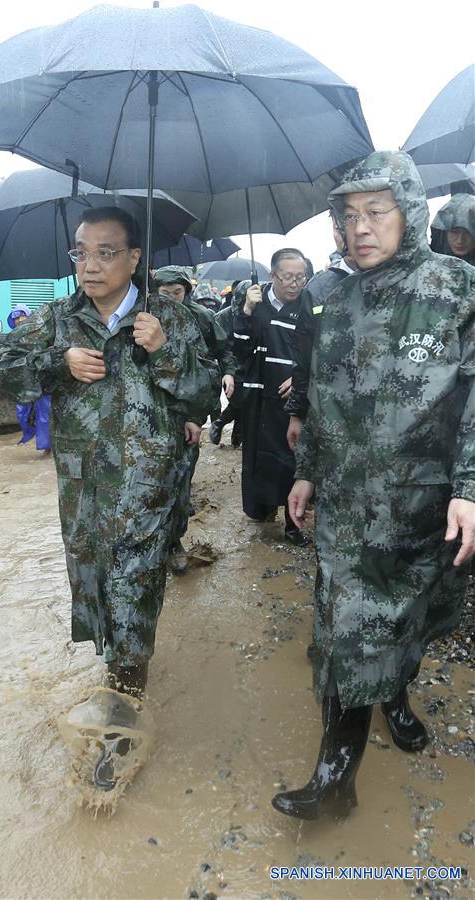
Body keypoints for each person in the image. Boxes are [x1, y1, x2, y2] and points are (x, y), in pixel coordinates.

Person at [272, 151, 474, 822]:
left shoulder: (453, 286)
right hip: (347, 509)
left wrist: (468, 486)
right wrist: (305, 476)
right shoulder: (337, 300)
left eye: (375, 212)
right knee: (343, 632)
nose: (359, 227)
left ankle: (396, 695)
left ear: (410, 211)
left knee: (408, 622)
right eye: (348, 215)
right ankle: (335, 778)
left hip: (423, 505)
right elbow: (324, 403)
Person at [0, 208, 219, 788]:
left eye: (106, 252)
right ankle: (119, 670)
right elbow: (4, 372)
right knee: (94, 583)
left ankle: (121, 715)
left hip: (149, 489)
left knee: (132, 587)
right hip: (84, 489)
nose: (90, 266)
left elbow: (204, 400)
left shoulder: (170, 317)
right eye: (81, 253)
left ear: (135, 258)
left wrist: (164, 349)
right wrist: (56, 363)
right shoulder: (58, 319)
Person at [152, 265, 236, 572]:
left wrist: (227, 373)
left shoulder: (201, 317)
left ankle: (175, 541)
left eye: (178, 293)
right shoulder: (144, 318)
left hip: (189, 409)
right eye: (165, 294)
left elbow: (224, 350)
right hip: (150, 412)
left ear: (187, 292)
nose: (173, 299)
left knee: (181, 480)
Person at [232, 249, 309, 545]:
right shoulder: (255, 301)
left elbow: (317, 348)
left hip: (289, 397)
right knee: (255, 456)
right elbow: (238, 348)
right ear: (272, 275)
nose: (294, 283)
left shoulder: (307, 305)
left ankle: (293, 524)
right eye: (287, 277)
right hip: (257, 395)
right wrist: (246, 311)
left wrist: (300, 377)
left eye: (300, 277)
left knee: (290, 457)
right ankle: (260, 509)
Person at [285, 217, 357, 451]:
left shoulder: (403, 281)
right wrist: (297, 413)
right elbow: (305, 355)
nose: (347, 233)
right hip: (332, 414)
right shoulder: (319, 288)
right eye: (338, 227)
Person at [7, 305, 52, 456]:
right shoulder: (13, 338)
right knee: (23, 412)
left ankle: (47, 448)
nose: (19, 320)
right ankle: (32, 436)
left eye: (22, 316)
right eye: (16, 318)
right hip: (25, 383)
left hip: (42, 381)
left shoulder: (40, 335)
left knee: (44, 414)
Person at [210, 280, 248, 448]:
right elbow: (218, 346)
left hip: (250, 366)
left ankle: (236, 439)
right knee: (240, 401)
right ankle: (219, 422)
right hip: (230, 368)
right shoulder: (224, 316)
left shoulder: (257, 314)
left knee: (247, 403)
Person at [430, 193, 475, 265]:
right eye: (455, 232)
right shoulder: (425, 261)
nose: (460, 240)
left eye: (468, 233)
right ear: (444, 232)